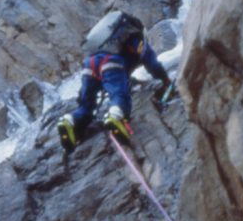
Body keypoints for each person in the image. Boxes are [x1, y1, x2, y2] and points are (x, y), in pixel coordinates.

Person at [57, 10, 174, 151]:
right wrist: (165, 79)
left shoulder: (110, 39)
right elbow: (151, 62)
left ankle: (70, 120)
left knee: (86, 105)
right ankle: (116, 116)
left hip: (90, 63)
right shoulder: (137, 37)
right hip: (110, 62)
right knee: (120, 95)